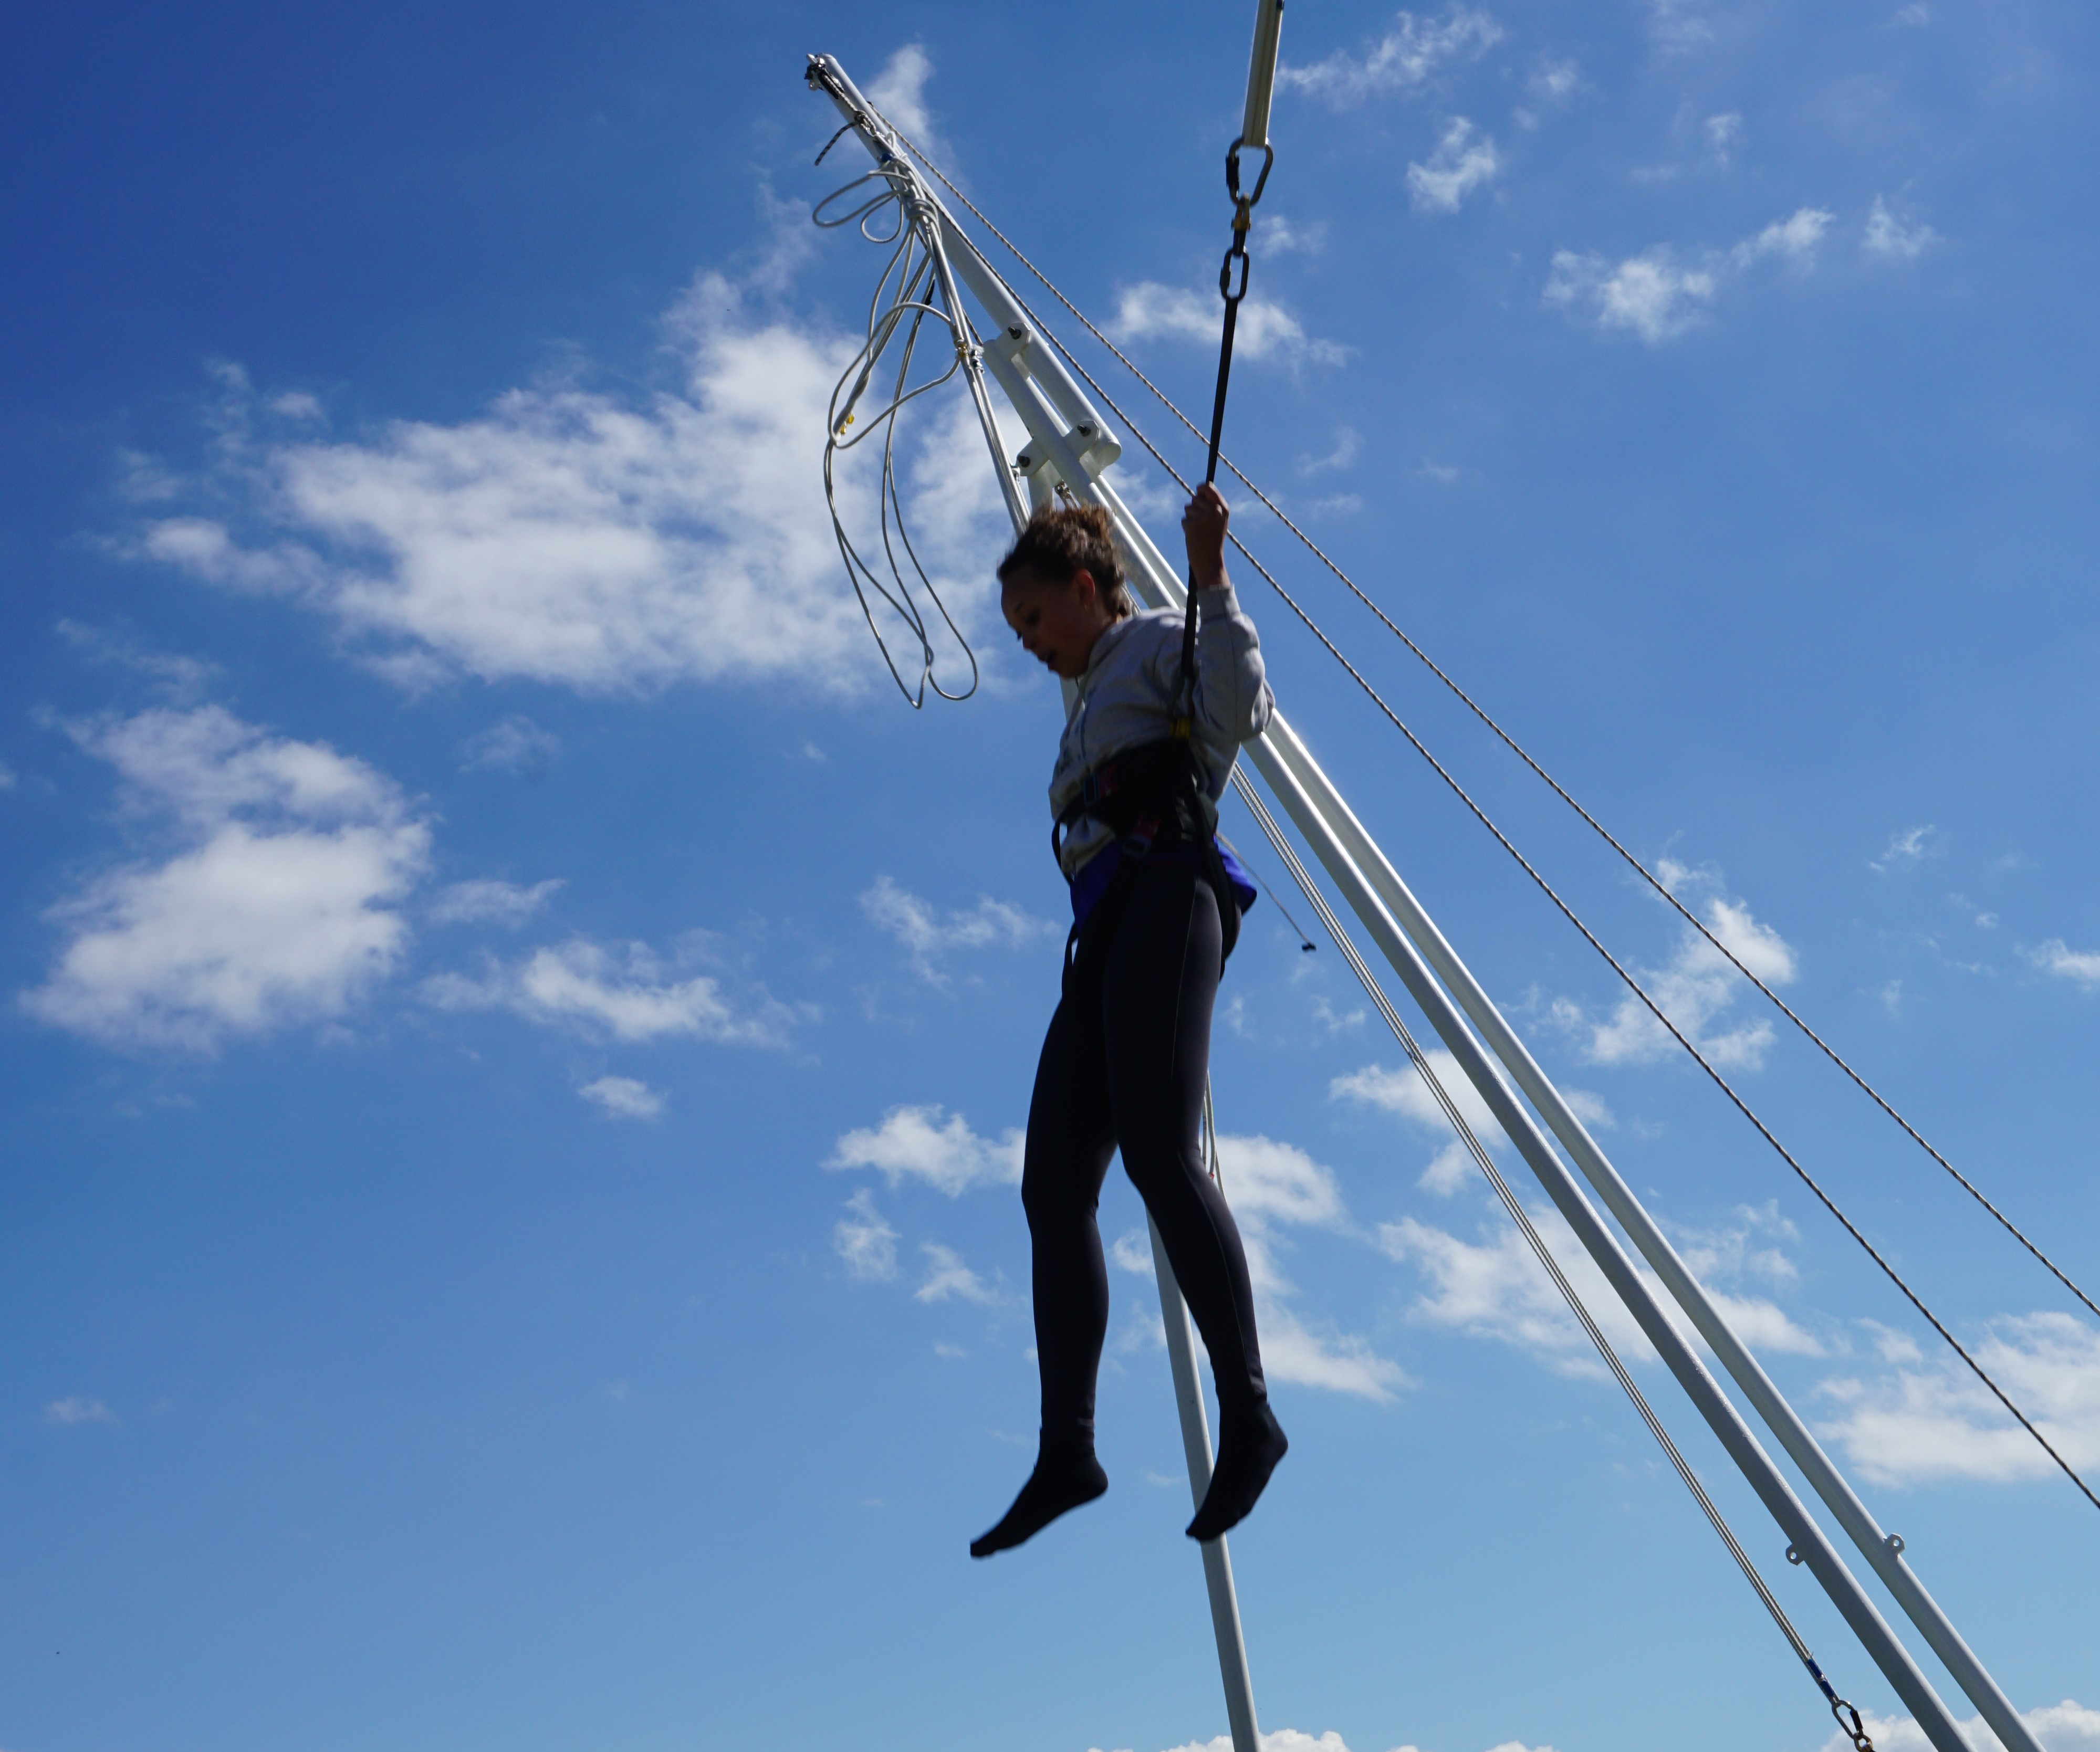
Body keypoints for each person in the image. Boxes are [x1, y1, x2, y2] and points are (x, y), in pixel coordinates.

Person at [970, 483, 1287, 1559]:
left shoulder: (1163, 636)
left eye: (1032, 619)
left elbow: (1240, 709)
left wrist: (1208, 571)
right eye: (1014, 632)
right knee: (1051, 1186)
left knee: (1158, 1150)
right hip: (1105, 929)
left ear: (1082, 587)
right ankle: (1070, 1446)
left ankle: (1246, 1409)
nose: (1027, 645)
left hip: (1170, 890)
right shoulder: (1087, 703)